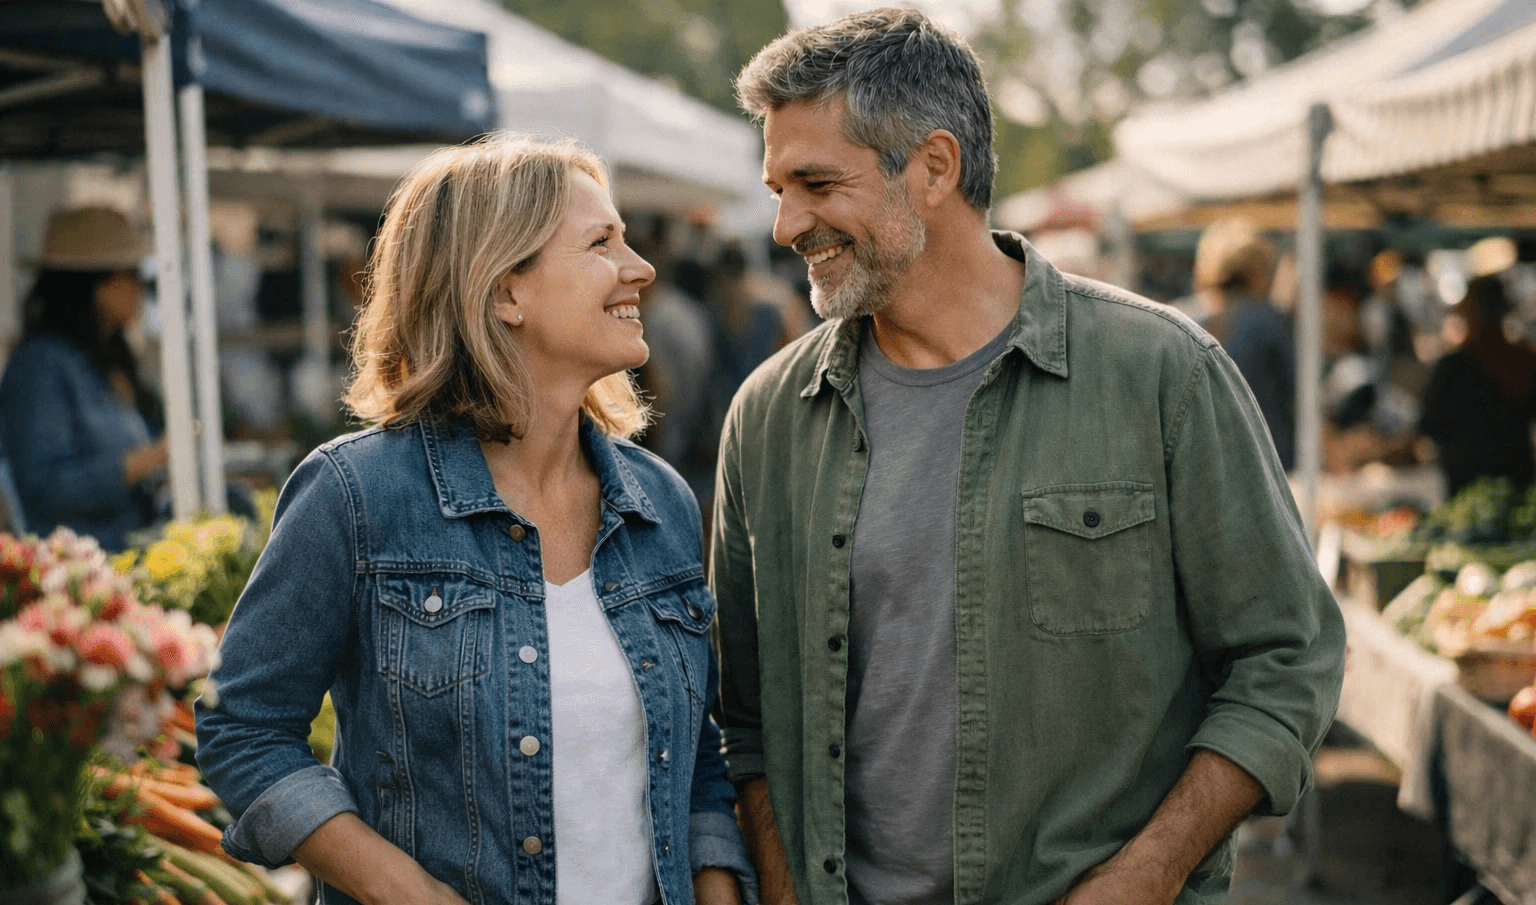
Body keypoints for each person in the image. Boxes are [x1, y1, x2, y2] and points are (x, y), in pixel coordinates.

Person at [709, 10, 1346, 905]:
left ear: (934, 166)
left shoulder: (1161, 373)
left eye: (815, 183)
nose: (784, 225)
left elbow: (1288, 659)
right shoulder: (768, 418)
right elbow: (744, 724)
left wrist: (1149, 872)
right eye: (778, 187)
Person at [195, 136, 755, 905]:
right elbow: (243, 729)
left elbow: (695, 764)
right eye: (602, 242)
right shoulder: (356, 495)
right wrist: (404, 890)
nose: (642, 267)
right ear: (504, 294)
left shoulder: (660, 502)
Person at [0, 205, 166, 551]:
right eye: (131, 272)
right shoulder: (40, 366)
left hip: (132, 548)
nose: (141, 285)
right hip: (79, 569)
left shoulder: (105, 358)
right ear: (95, 283)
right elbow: (44, 486)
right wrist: (144, 462)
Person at [1418, 273, 1536, 497]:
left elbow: (1429, 425)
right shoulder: (1523, 359)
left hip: (1469, 485)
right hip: (1514, 480)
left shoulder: (1454, 366)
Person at [1191, 217, 1295, 471]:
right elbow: (1293, 392)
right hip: (1262, 458)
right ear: (1256, 272)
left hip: (1200, 460)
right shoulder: (1266, 320)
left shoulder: (1185, 316)